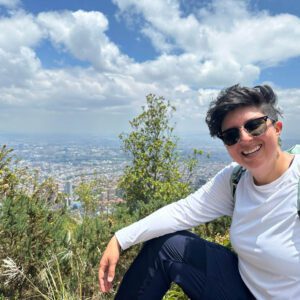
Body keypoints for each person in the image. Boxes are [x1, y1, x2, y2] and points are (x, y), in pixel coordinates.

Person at [98, 84, 299, 299]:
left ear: (277, 128)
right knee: (167, 246)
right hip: (243, 289)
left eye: (255, 126)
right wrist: (120, 239)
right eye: (231, 135)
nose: (245, 138)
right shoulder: (236, 179)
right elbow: (183, 212)